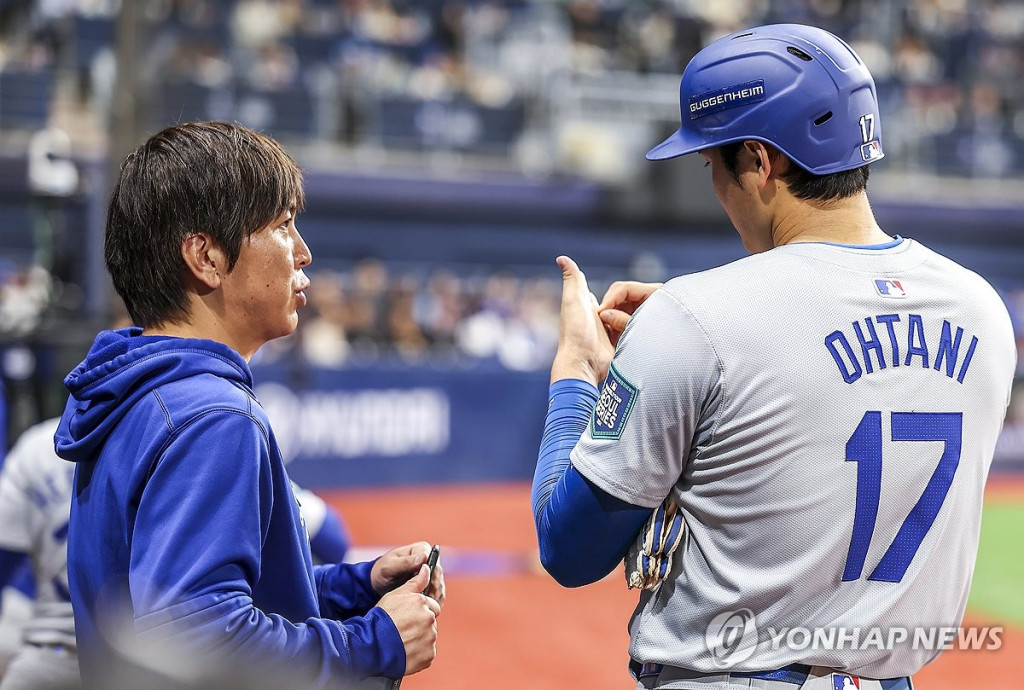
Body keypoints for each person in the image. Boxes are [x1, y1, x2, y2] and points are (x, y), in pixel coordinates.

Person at [532, 23, 1016, 690]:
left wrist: (576, 375)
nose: (715, 185)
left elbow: (568, 549)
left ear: (761, 160)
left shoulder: (694, 318)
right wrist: (686, 338)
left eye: (712, 164)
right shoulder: (982, 308)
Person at [54, 122, 444, 689]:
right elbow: (198, 638)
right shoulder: (214, 417)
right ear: (206, 256)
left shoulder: (139, 395)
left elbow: (188, 601)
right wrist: (375, 642)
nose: (304, 252)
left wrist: (358, 588)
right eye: (283, 226)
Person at [0, 418, 355, 690]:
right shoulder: (196, 432)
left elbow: (5, 565)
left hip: (47, 660)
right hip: (160, 668)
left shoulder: (37, 447)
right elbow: (332, 538)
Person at [0, 418, 79, 690]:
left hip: (52, 651)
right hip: (137, 654)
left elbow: (4, 561)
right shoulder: (158, 432)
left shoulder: (36, 445)